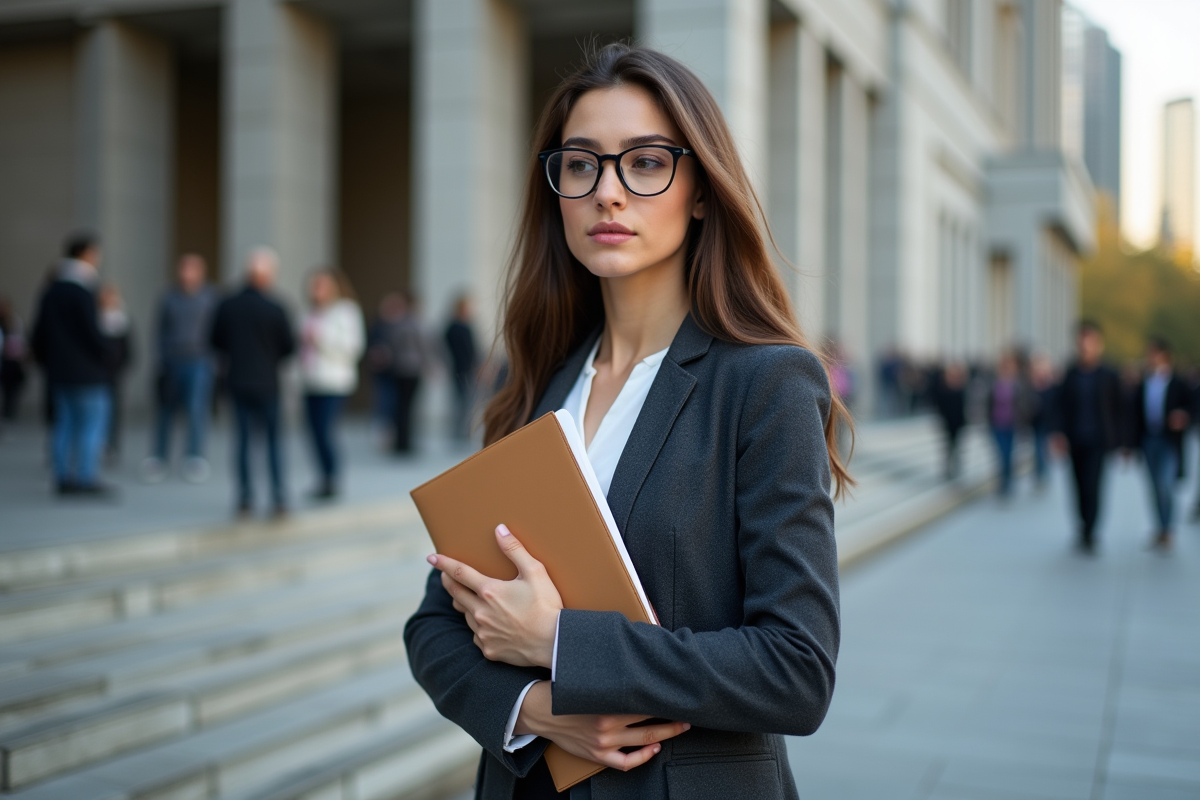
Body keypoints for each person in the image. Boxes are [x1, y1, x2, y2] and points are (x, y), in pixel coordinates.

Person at [404, 44, 849, 800]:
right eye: (581, 165)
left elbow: (797, 668)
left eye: (645, 163)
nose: (608, 192)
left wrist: (563, 646)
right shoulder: (538, 382)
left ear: (701, 190)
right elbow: (434, 626)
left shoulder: (765, 382)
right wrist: (537, 710)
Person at [209, 247, 296, 518]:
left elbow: (215, 340)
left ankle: (245, 498)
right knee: (272, 443)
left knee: (243, 442)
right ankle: (279, 497)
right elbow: (288, 347)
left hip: (237, 381)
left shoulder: (227, 304)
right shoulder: (276, 307)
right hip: (268, 383)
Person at [30, 232, 114, 495]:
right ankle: (86, 478)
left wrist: (47, 362)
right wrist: (108, 353)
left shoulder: (51, 290)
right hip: (87, 371)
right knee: (91, 424)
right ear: (87, 254)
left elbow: (38, 334)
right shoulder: (83, 290)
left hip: (59, 371)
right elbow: (92, 333)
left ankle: (63, 477)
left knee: (63, 424)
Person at [143, 254, 218, 484]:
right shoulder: (169, 297)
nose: (187, 274)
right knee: (165, 411)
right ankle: (159, 457)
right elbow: (160, 330)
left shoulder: (211, 297)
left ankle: (194, 457)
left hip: (200, 361)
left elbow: (217, 331)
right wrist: (161, 358)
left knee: (197, 411)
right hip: (172, 360)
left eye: (192, 269)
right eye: (184, 269)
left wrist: (216, 361)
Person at [1052, 321, 1123, 554]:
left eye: (1089, 340)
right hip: (1075, 438)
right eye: (1081, 341)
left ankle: (1092, 531)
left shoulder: (1109, 374)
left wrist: (1122, 441)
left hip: (1098, 440)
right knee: (1078, 486)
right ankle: (1082, 527)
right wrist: (1058, 434)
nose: (1085, 346)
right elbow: (1059, 406)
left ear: (1098, 344)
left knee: (1093, 486)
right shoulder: (1070, 373)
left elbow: (1120, 408)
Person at [299, 268, 365, 500]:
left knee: (327, 431)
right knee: (313, 433)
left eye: (322, 285)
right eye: (314, 285)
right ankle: (321, 477)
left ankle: (332, 478)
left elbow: (353, 347)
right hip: (310, 381)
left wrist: (321, 339)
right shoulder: (309, 312)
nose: (317, 290)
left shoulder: (346, 311)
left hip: (334, 382)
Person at [1127, 338, 1191, 551]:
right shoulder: (1144, 382)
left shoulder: (1179, 382)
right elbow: (1135, 414)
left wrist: (1184, 415)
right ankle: (1160, 528)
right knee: (1154, 487)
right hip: (1149, 439)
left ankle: (1168, 528)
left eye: (1153, 354)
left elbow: (1191, 406)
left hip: (1169, 441)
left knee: (1165, 485)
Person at [986, 352, 1033, 498]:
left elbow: (1024, 403)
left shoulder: (1018, 384)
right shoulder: (994, 383)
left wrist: (1024, 421)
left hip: (1012, 423)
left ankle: (1008, 481)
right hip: (997, 423)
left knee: (1009, 454)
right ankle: (1003, 481)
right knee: (1001, 454)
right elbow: (988, 403)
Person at [385, 292, 427, 454]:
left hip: (399, 368)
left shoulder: (398, 324)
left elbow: (392, 345)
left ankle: (400, 442)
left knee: (400, 407)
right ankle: (406, 442)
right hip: (413, 369)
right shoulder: (416, 324)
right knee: (408, 408)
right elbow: (423, 347)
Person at [97, 284, 133, 462]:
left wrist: (121, 367)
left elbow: (129, 350)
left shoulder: (123, 320)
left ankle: (111, 447)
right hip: (96, 374)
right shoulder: (94, 319)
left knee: (113, 412)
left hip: (115, 374)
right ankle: (97, 446)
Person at [365, 293, 405, 446]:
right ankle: (382, 435)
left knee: (394, 405)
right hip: (381, 373)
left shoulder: (400, 326)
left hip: (397, 371)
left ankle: (392, 435)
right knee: (382, 403)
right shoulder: (378, 326)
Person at [444, 293, 479, 440]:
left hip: (463, 369)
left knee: (465, 401)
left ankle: (463, 432)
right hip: (462, 369)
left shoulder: (456, 327)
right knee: (463, 402)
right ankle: (461, 433)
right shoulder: (457, 328)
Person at [935, 361, 969, 480]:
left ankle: (955, 465)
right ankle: (948, 467)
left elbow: (964, 405)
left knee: (957, 445)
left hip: (958, 421)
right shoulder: (943, 388)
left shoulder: (962, 387)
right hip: (947, 422)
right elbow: (939, 405)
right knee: (948, 446)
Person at [1028, 353, 1057, 490]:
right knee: (1037, 448)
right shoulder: (1030, 384)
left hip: (1047, 422)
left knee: (1041, 448)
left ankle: (1043, 474)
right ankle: (1040, 472)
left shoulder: (1052, 385)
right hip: (1034, 421)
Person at [0, 294, 28, 422]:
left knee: (11, 388)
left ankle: (8, 412)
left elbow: (20, 341)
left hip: (10, 360)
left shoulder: (14, 321)